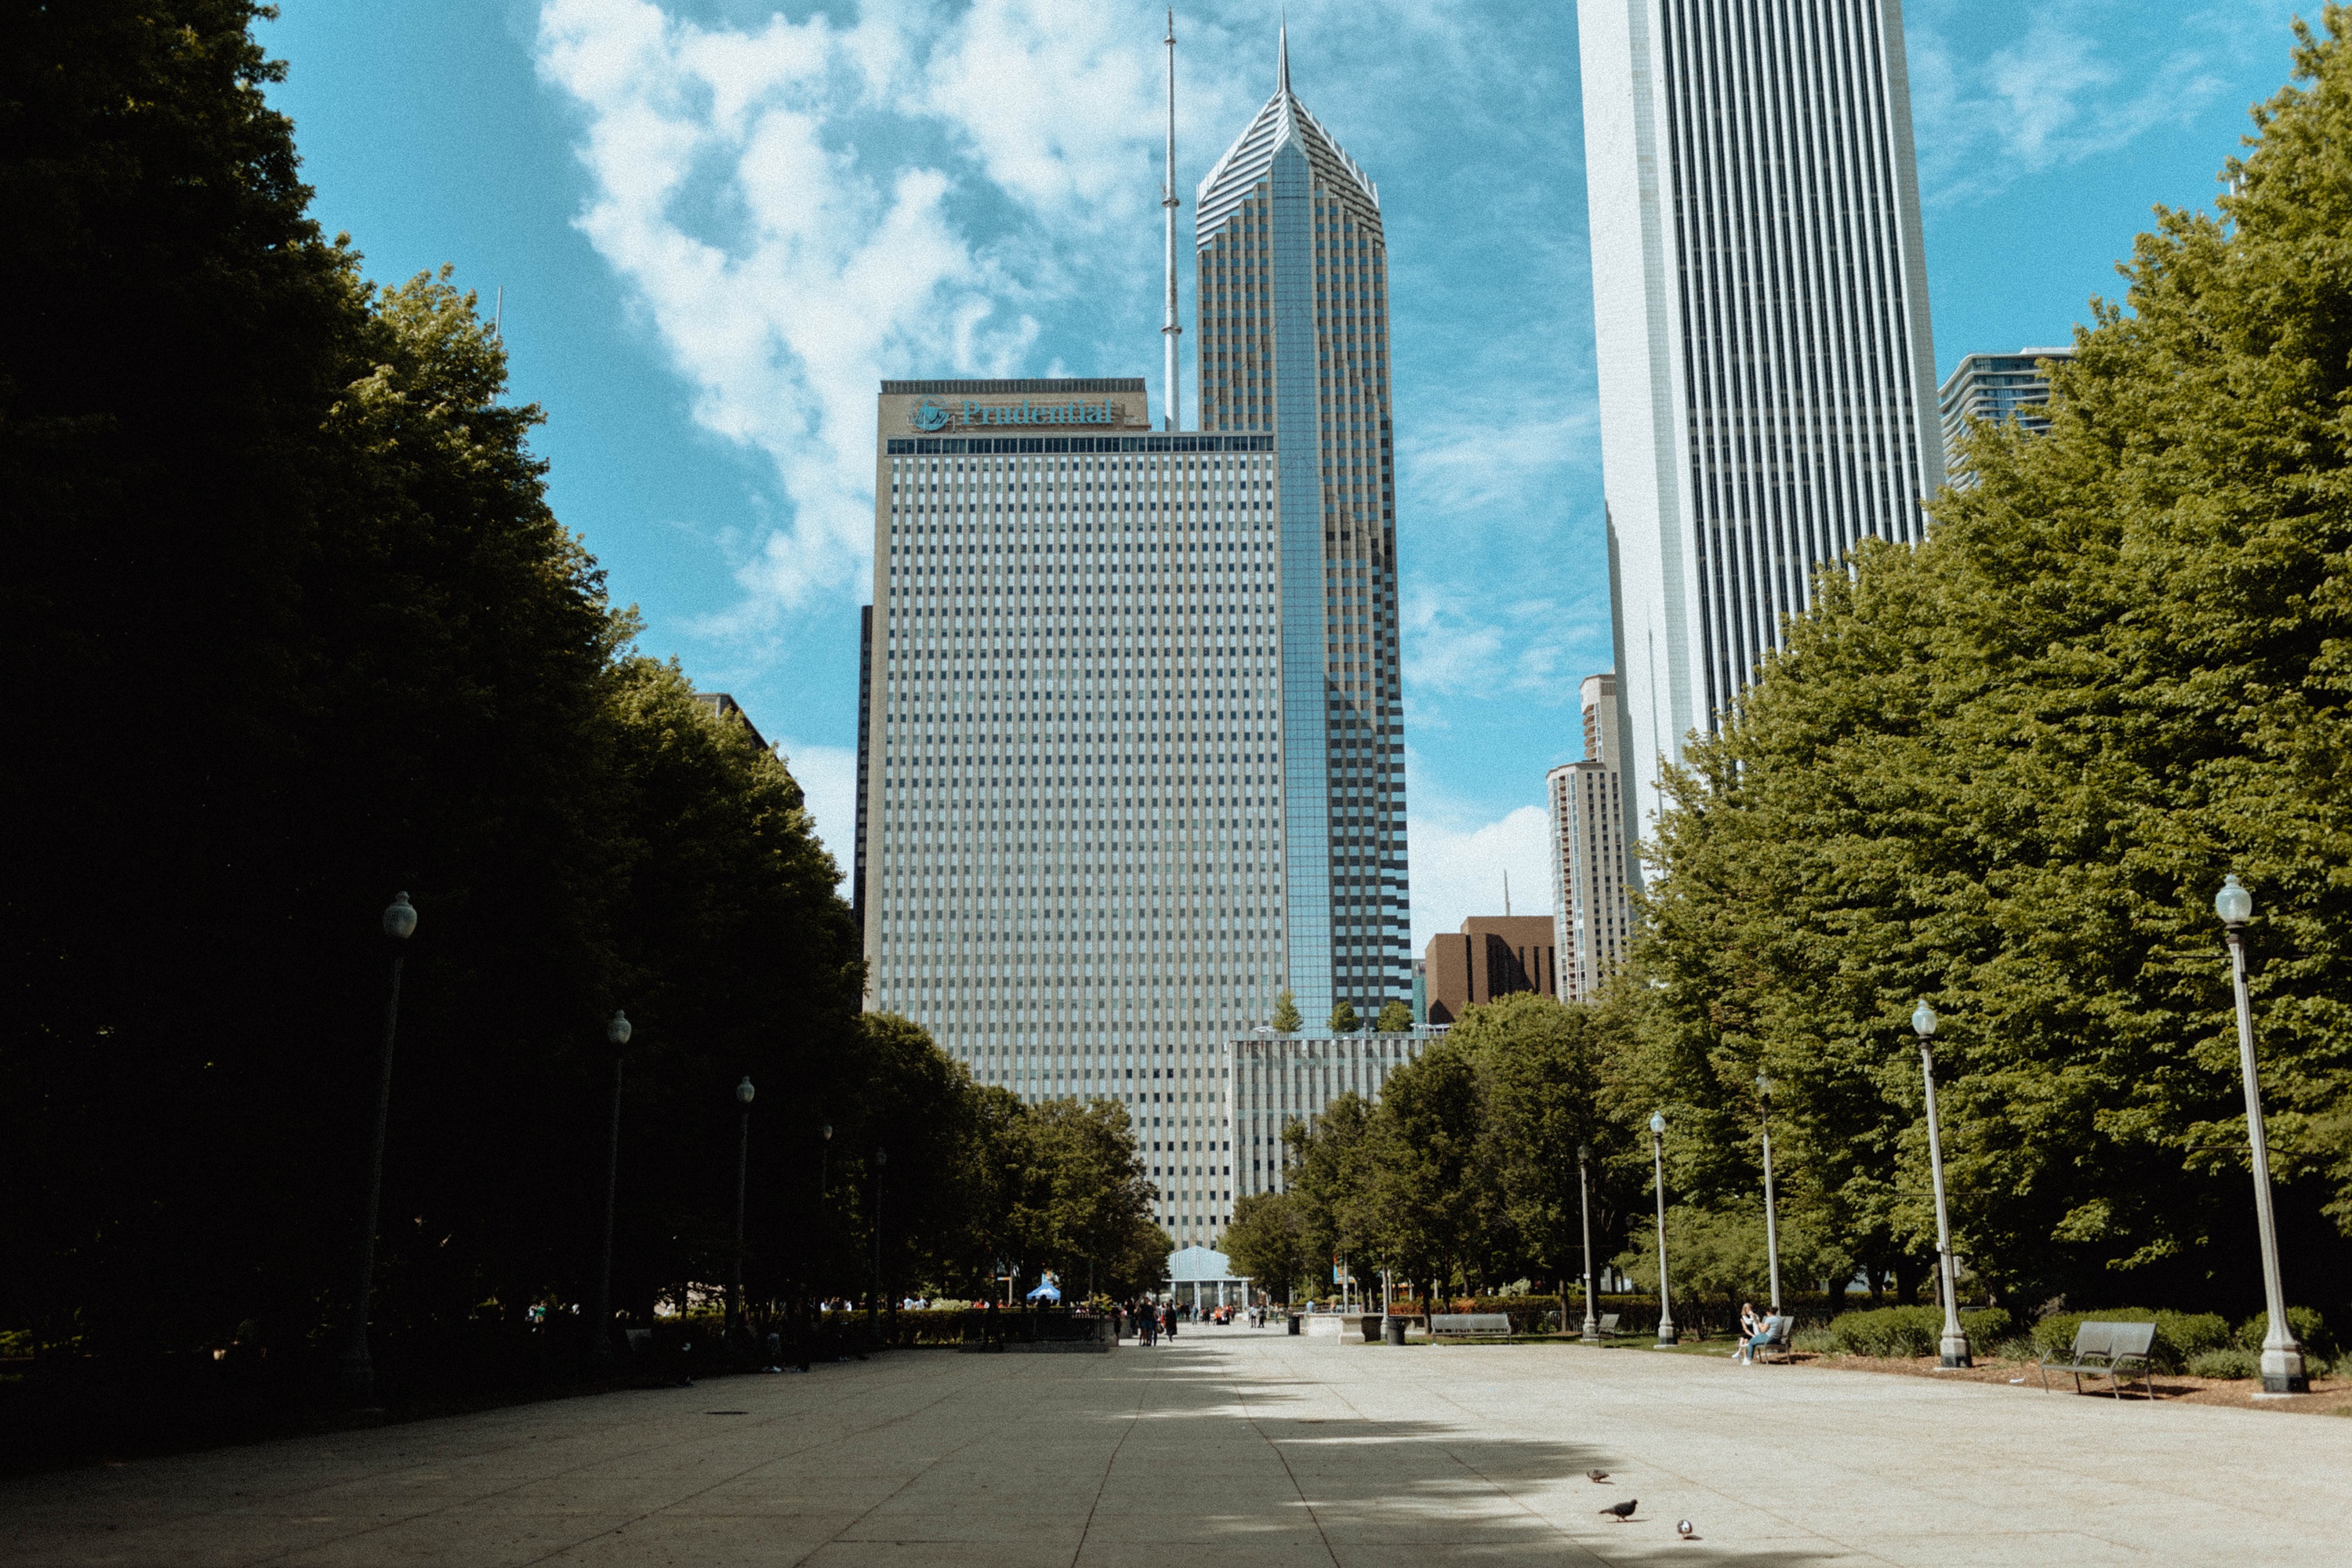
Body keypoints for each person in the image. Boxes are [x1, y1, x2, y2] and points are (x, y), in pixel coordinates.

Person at [1735, 1301, 1762, 1365]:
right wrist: (1751, 1335)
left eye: (1750, 1309)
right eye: (1748, 1309)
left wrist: (1754, 1317)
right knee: (1745, 1339)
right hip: (1748, 1333)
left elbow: (1758, 1323)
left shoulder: (1754, 1316)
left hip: (1755, 1332)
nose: (1750, 1310)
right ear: (1745, 1310)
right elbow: (1745, 1329)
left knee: (1745, 1339)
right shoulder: (1743, 1318)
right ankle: (1744, 1357)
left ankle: (1740, 1353)